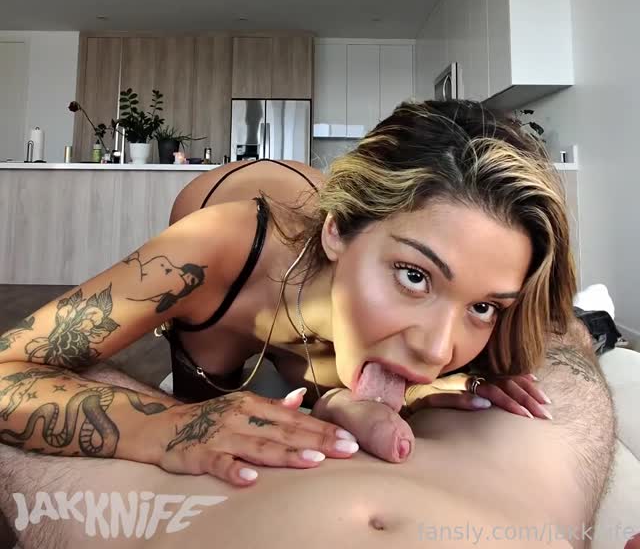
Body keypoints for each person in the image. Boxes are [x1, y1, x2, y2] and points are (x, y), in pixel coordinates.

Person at [0, 100, 574, 490]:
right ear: (338, 230)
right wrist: (165, 425)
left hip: (329, 252)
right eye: (414, 276)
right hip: (248, 213)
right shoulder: (210, 247)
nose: (437, 350)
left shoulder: (416, 296)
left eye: (482, 307)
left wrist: (371, 398)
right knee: (205, 389)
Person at [0, 315, 620, 549]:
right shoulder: (246, 239)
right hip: (506, 488)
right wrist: (168, 423)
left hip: (183, 509)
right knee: (556, 345)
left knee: (547, 339)